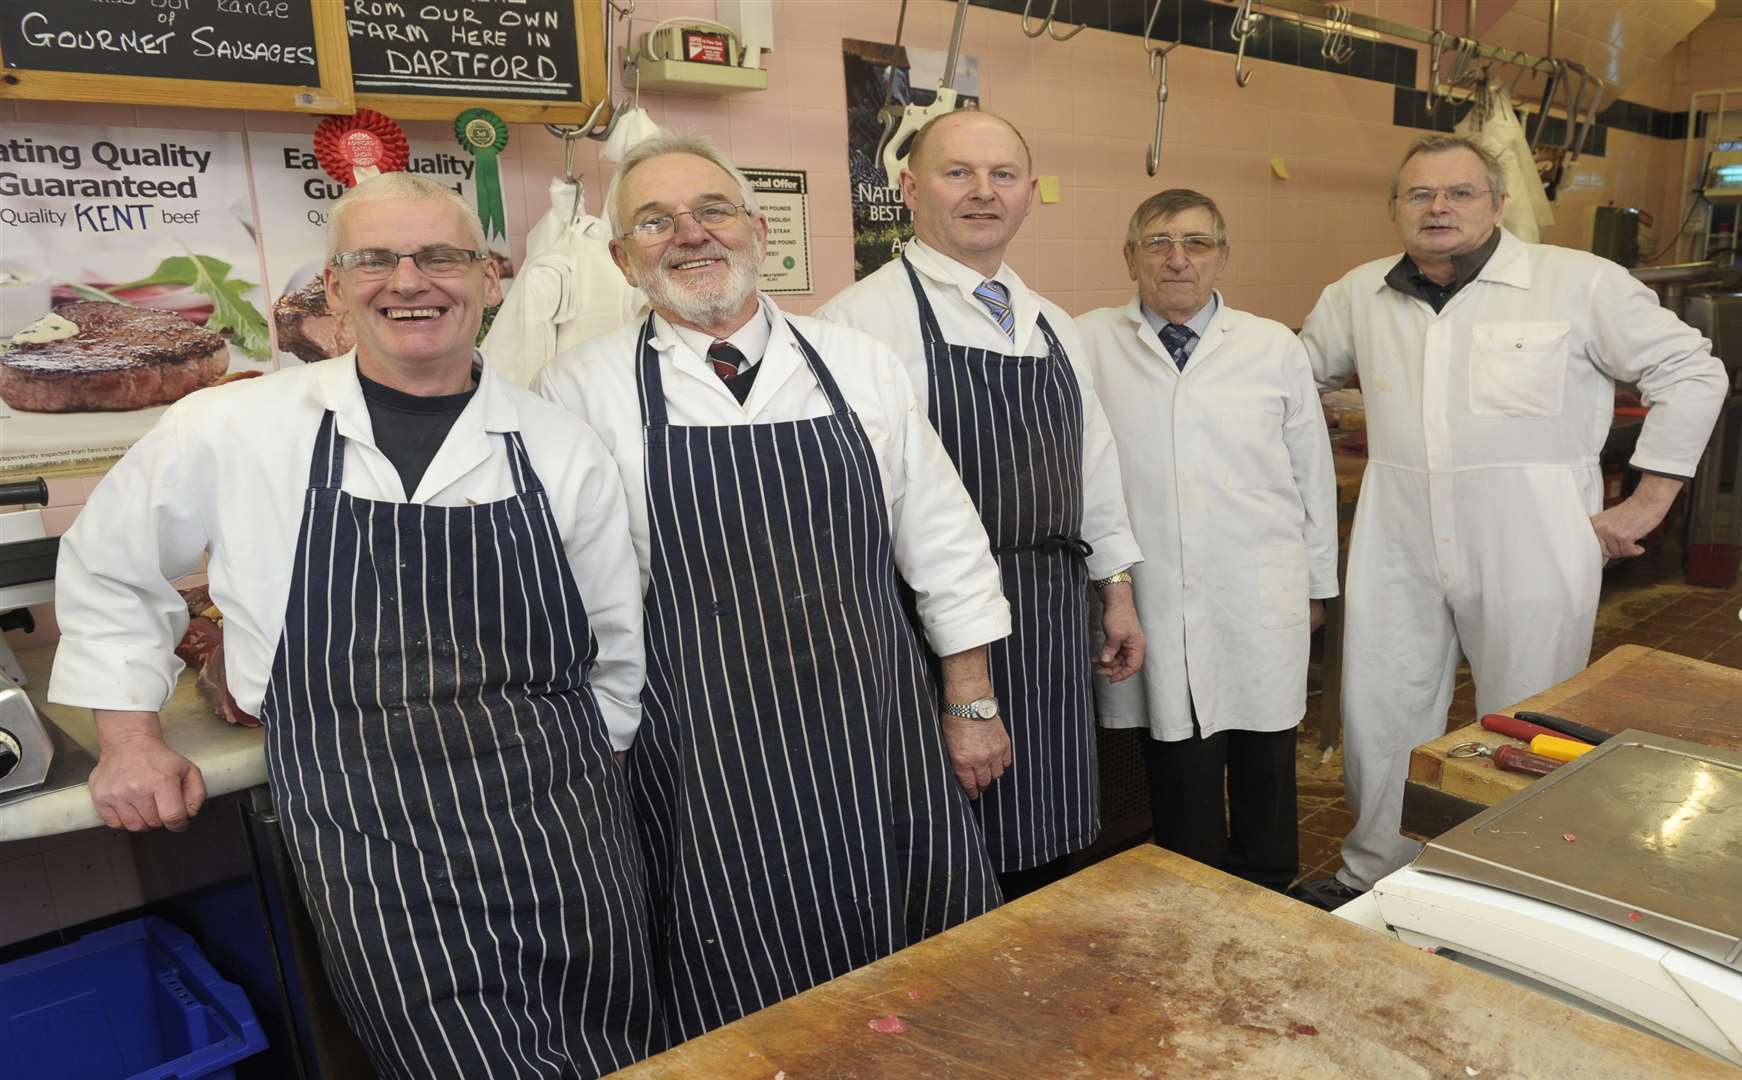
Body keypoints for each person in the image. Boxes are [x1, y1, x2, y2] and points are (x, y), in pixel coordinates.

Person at [53, 172, 658, 1077]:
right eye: (374, 259)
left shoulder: (557, 442)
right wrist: (130, 738)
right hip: (365, 820)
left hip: (556, 812)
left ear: (489, 279)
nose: (408, 281)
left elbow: (612, 638)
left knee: (614, 1037)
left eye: (441, 257)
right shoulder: (232, 425)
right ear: (333, 288)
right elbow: (110, 564)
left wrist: (583, 770)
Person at [538, 130, 1009, 1047]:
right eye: (655, 220)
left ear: (756, 228)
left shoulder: (858, 362)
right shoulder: (577, 388)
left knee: (932, 979)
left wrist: (972, 700)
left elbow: (944, 542)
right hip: (704, 750)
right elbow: (577, 598)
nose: (690, 234)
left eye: (712, 209)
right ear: (621, 257)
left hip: (875, 728)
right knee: (747, 993)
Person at [1291, 134, 1729, 909]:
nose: (1439, 208)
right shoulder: (1357, 293)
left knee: (1532, 715)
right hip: (1399, 538)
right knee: (1380, 711)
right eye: (1419, 195)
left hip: (1532, 539)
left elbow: (1693, 371)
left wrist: (1648, 501)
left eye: (1459, 193)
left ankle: (1518, 887)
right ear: (1394, 208)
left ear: (1497, 204)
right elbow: (1297, 378)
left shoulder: (1578, 283)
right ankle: (1374, 874)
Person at [816, 108, 1146, 899]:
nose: (982, 193)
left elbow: (1092, 468)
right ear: (908, 187)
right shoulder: (857, 324)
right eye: (957, 172)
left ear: (1030, 193)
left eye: (1002, 176)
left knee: (1050, 832)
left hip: (1051, 614)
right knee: (951, 836)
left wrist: (1118, 590)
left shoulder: (1055, 324)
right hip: (927, 625)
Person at [1075, 189, 1338, 893]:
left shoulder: (1271, 347)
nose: (1177, 259)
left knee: (1267, 747)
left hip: (1260, 586)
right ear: (1129, 256)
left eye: (1196, 243)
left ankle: (1271, 886)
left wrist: (1317, 587)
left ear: (1223, 257)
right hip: (1150, 590)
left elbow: (1313, 477)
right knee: (1177, 750)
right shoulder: (1087, 340)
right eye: (1157, 242)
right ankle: (1197, 894)